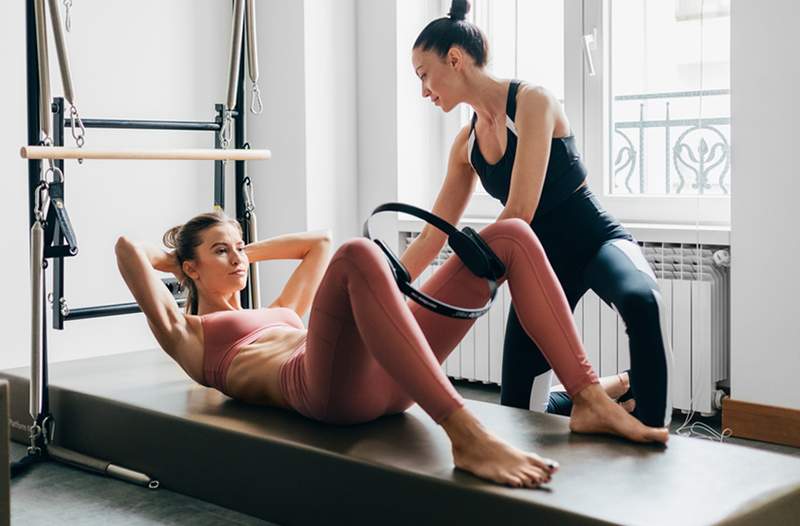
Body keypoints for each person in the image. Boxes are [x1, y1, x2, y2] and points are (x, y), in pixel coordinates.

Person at [115, 211, 667, 489]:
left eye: (240, 249)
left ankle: (589, 398)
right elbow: (126, 249)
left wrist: (234, 247)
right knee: (360, 254)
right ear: (189, 267)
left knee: (511, 235)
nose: (237, 259)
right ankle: (468, 436)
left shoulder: (281, 306)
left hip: (387, 377)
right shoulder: (185, 332)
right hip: (322, 392)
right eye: (221, 252)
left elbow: (317, 245)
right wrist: (182, 254)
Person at [405, 0, 674, 427]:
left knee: (642, 302)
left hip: (597, 240)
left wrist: (459, 274)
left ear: (454, 59)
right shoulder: (466, 146)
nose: (423, 91)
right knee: (520, 411)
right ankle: (607, 391)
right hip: (540, 269)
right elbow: (430, 237)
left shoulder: (533, 101)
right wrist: (391, 283)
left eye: (423, 75)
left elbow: (519, 214)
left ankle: (656, 436)